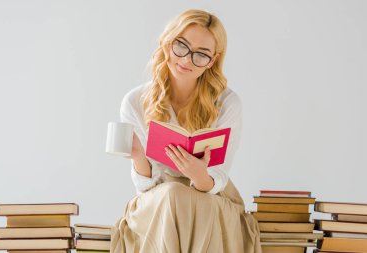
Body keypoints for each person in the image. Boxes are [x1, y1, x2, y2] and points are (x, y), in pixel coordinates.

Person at [110, 9, 261, 253]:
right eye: (182, 46)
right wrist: (138, 156)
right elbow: (146, 188)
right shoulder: (135, 101)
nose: (187, 60)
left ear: (212, 61)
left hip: (211, 196)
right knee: (171, 194)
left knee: (183, 198)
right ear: (168, 43)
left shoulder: (228, 103)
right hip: (158, 201)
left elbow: (218, 178)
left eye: (201, 55)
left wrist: (198, 175)